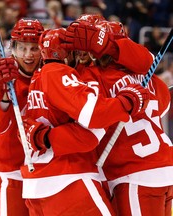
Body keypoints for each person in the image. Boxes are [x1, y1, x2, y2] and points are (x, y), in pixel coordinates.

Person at [19, 28, 149, 216]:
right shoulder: (57, 72)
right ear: (66, 53)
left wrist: (44, 137)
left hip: (36, 187)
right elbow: (91, 124)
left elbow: (29, 131)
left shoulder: (37, 79)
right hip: (68, 181)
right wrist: (127, 102)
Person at [60, 19, 173, 215]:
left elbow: (88, 115)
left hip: (134, 175)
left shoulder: (92, 76)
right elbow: (163, 106)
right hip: (163, 167)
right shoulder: (148, 78)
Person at [0, 19, 44, 216]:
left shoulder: (52, 75)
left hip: (47, 174)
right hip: (13, 173)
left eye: (34, 48)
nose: (28, 55)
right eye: (22, 48)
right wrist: (1, 96)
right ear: (12, 48)